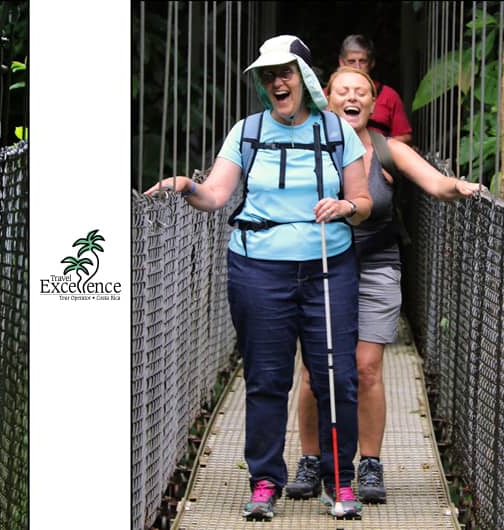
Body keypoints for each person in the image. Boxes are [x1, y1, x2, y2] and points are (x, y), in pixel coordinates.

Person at [144, 35, 372, 520]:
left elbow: (364, 203)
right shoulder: (247, 131)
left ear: (305, 78)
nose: (275, 82)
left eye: (284, 72)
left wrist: (346, 206)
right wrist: (185, 186)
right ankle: (266, 480)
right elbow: (216, 195)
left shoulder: (336, 133)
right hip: (258, 268)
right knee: (266, 379)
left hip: (328, 268)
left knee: (338, 377)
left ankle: (341, 482)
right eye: (268, 75)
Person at [287, 66, 485, 505]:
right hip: (317, 264)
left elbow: (437, 184)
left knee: (366, 367)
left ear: (373, 106)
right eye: (343, 91)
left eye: (361, 92)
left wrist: (463, 186)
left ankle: (370, 464)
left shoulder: (387, 148)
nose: (352, 97)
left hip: (376, 263)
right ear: (327, 99)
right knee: (314, 369)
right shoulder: (305, 146)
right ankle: (311, 459)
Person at [337, 35, 413, 144]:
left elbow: (404, 136)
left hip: (379, 157)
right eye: (351, 61)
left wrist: (377, 148)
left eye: (362, 61)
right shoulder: (328, 94)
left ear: (372, 63)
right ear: (341, 62)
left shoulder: (389, 95)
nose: (357, 67)